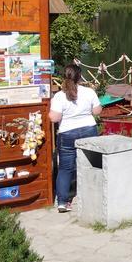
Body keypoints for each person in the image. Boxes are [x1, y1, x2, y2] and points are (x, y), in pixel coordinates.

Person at [48, 64, 102, 213]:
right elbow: (97, 111)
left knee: (65, 168)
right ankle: (95, 196)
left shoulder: (59, 96)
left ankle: (63, 202)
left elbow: (54, 118)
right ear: (80, 76)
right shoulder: (89, 92)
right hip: (89, 130)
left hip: (67, 133)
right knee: (92, 163)